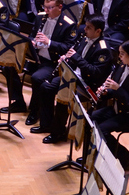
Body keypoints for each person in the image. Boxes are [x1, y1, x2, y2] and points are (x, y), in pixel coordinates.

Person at [34, 16, 112, 144]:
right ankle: (46, 124)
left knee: (63, 93)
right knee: (45, 87)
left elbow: (95, 73)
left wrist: (75, 58)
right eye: (85, 26)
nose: (84, 29)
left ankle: (57, 132)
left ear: (98, 31)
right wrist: (66, 59)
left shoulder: (103, 49)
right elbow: (75, 57)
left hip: (87, 84)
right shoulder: (85, 38)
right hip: (73, 77)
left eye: (89, 28)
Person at [3, 0, 77, 120]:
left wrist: (48, 42)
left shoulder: (68, 24)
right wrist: (32, 41)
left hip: (51, 61)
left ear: (60, 7)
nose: (46, 10)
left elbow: (69, 48)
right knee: (8, 66)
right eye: (45, 7)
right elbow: (32, 35)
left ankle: (34, 111)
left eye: (50, 8)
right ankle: (19, 102)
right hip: (35, 55)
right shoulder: (40, 17)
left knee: (37, 78)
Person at [91, 40, 129, 168]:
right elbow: (114, 87)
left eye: (122, 54)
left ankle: (125, 157)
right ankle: (97, 154)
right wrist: (106, 91)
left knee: (102, 129)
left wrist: (117, 89)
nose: (119, 56)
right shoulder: (122, 65)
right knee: (91, 118)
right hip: (117, 108)